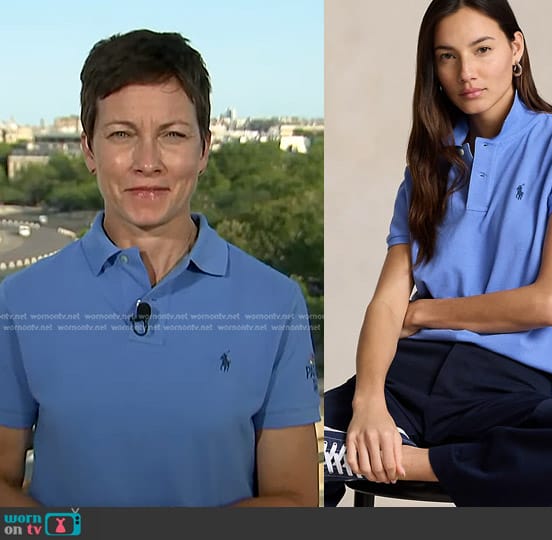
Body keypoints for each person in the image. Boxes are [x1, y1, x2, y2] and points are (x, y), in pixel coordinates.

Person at [324, 0, 552, 507]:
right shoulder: (425, 172)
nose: (466, 73)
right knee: (255, 438)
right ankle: (377, 447)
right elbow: (386, 305)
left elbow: (549, 303)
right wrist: (369, 406)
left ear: (516, 48)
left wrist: (427, 311)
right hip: (404, 382)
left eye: (482, 49)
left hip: (509, 393)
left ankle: (419, 461)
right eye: (447, 56)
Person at [0, 29, 321, 507]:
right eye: (122, 135)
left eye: (171, 135)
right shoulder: (19, 303)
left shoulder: (275, 303)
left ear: (205, 149)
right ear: (89, 150)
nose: (147, 162)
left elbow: (294, 500)